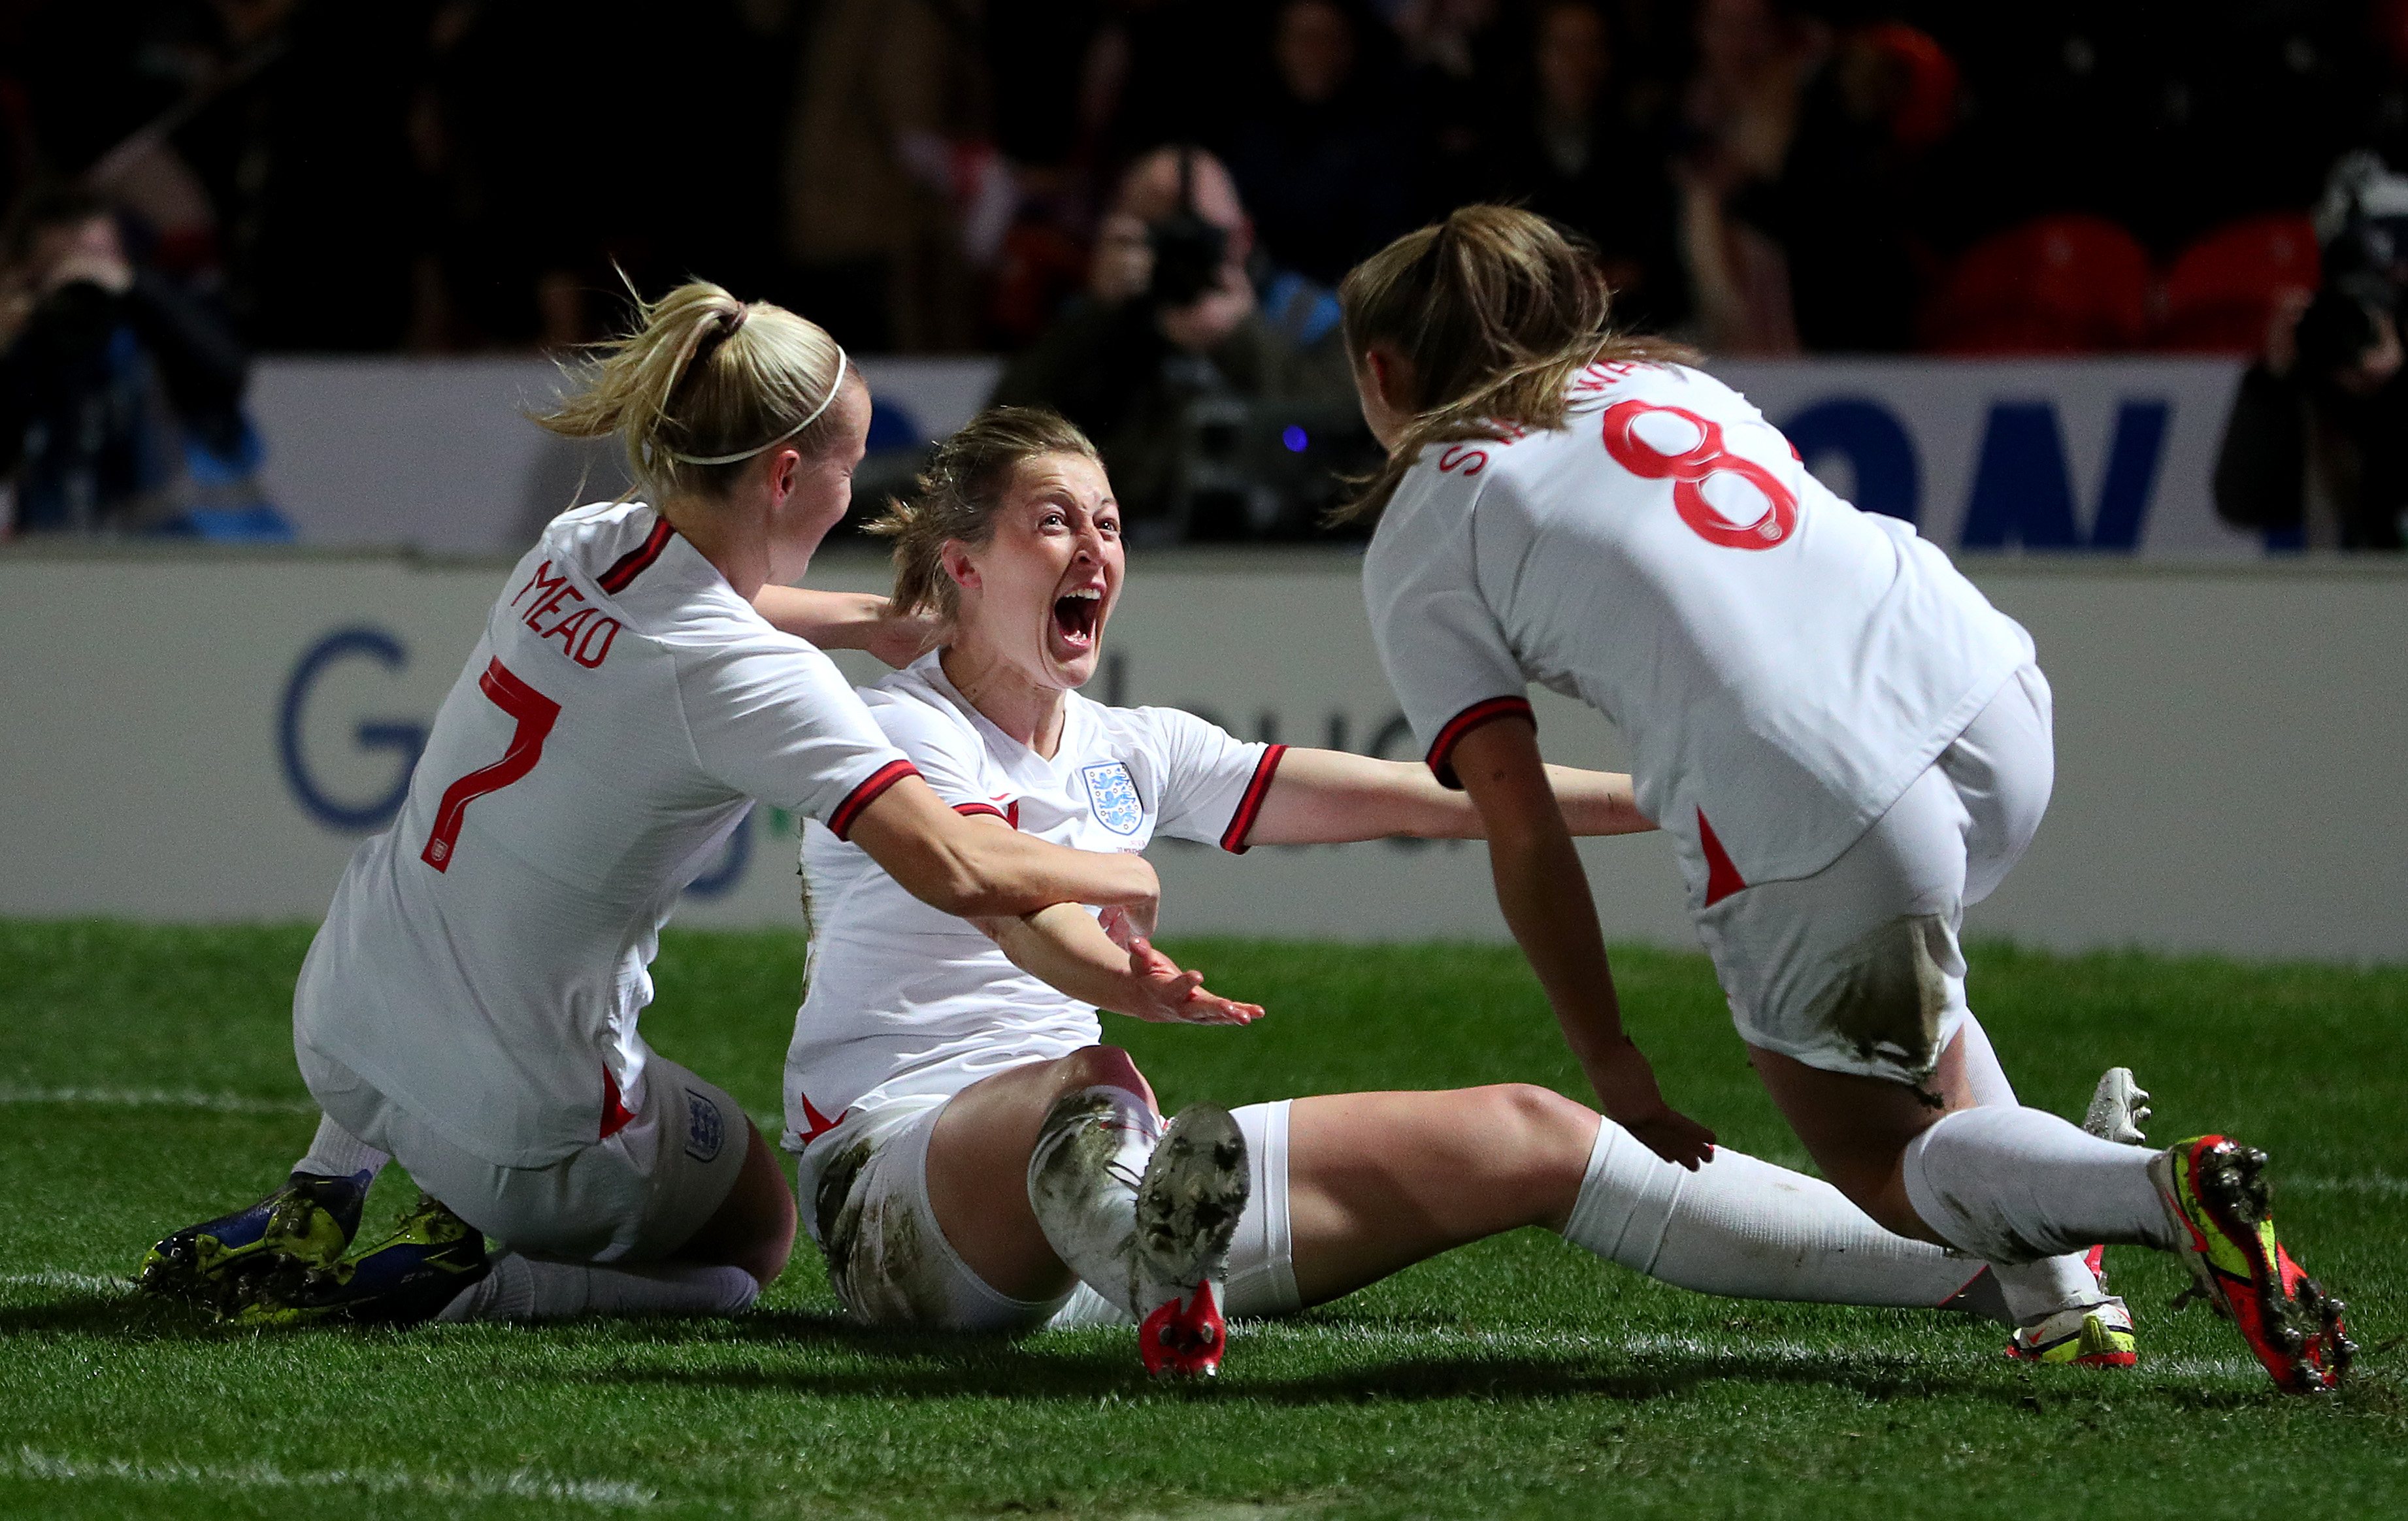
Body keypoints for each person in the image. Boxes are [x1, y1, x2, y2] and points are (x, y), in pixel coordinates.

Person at [770, 405, 2102, 1380]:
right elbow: (1006, 899)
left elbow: (1406, 795)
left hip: (1114, 1195)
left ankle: (1988, 1256)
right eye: (1054, 521)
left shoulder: (1130, 745)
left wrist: (1672, 791)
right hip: (907, 1199)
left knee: (1526, 1131)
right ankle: (1148, 1244)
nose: (1095, 549)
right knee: (1086, 1087)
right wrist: (1114, 972)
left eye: (1109, 525)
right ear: (958, 563)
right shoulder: (903, 731)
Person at [1336, 204, 2354, 1393]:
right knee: (1907, 977)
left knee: (1880, 1157)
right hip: (1983, 685)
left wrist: (1609, 1056)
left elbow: (1522, 826)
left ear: (1383, 371)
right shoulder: (1672, 389)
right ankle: (2069, 1305)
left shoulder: (1424, 524)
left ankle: (2161, 1192)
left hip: (1809, 780)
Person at [135, 282, 1163, 1330]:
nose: (857, 496)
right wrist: (1123, 870)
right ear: (788, 473)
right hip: (523, 1135)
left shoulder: (583, 540)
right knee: (757, 1235)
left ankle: (325, 1189)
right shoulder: (751, 680)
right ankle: (461, 1289)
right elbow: (958, 868)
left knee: (460, 920)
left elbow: (715, 601)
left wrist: (865, 620)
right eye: (851, 469)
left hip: (342, 1028)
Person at [990, 146, 1355, 540]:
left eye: (1199, 236)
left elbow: (1347, 438)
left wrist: (1242, 340)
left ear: (1243, 235)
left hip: (1282, 552)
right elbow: (1006, 436)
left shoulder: (1301, 317)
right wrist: (1098, 319)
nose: (1181, 254)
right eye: (1161, 236)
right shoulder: (1094, 323)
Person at [0, 185, 250, 534]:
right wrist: (19, 339)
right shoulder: (31, 354)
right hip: (65, 570)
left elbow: (227, 372)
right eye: (65, 268)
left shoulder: (164, 332)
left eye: (98, 262)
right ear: (30, 276)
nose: (84, 280)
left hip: (202, 559)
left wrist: (140, 290)